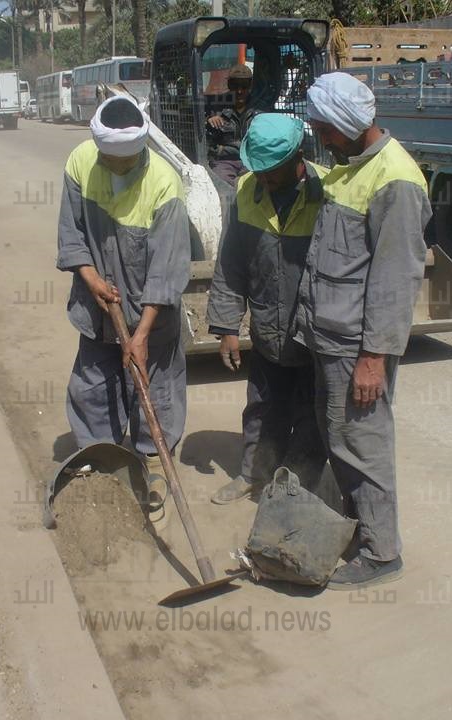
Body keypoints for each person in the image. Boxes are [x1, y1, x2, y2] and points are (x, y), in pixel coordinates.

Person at [297, 72, 430, 590]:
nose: (320, 136)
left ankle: (381, 553)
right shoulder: (351, 165)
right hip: (332, 335)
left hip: (357, 345)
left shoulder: (396, 181)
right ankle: (357, 527)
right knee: (341, 437)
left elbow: (396, 281)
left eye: (324, 128)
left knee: (363, 442)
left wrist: (373, 357)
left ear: (347, 125)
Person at [56, 96, 191, 523]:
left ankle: (153, 464)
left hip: (151, 311)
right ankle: (103, 460)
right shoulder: (79, 163)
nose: (118, 167)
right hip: (98, 306)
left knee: (155, 391)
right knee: (93, 386)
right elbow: (72, 232)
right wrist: (90, 276)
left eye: (127, 160)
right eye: (109, 160)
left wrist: (142, 333)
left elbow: (166, 269)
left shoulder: (164, 183)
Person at [206, 113, 328, 504]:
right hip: (267, 328)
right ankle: (253, 475)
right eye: (257, 171)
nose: (263, 180)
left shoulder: (329, 191)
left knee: (311, 415)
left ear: (298, 159)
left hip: (314, 334)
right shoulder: (246, 188)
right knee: (262, 407)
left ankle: (293, 490)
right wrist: (226, 327)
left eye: (271, 173)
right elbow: (231, 263)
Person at [206, 64, 261, 186]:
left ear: (250, 85)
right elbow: (206, 140)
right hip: (224, 161)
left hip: (252, 160)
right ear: (229, 85)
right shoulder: (216, 106)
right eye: (235, 86)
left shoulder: (259, 107)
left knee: (254, 184)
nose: (240, 91)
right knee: (220, 182)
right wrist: (209, 121)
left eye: (244, 86)